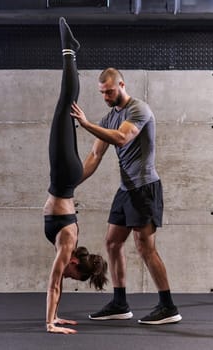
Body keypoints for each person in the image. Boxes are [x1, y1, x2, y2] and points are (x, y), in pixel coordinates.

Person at [70, 68, 182, 325]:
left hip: (144, 189)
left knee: (145, 248)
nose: (106, 96)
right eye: (102, 93)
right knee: (112, 242)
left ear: (121, 84)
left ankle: (168, 306)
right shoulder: (110, 117)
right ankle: (120, 303)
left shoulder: (139, 110)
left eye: (109, 91)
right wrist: (71, 185)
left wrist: (87, 124)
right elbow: (95, 156)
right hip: (125, 190)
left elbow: (122, 138)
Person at [43, 17, 108, 335]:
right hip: (64, 175)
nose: (67, 277)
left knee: (65, 106)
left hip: (66, 180)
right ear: (75, 264)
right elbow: (55, 282)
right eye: (73, 275)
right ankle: (69, 49)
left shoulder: (69, 247)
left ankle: (71, 51)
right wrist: (50, 323)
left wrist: (57, 315)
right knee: (64, 105)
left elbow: (60, 281)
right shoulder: (67, 244)